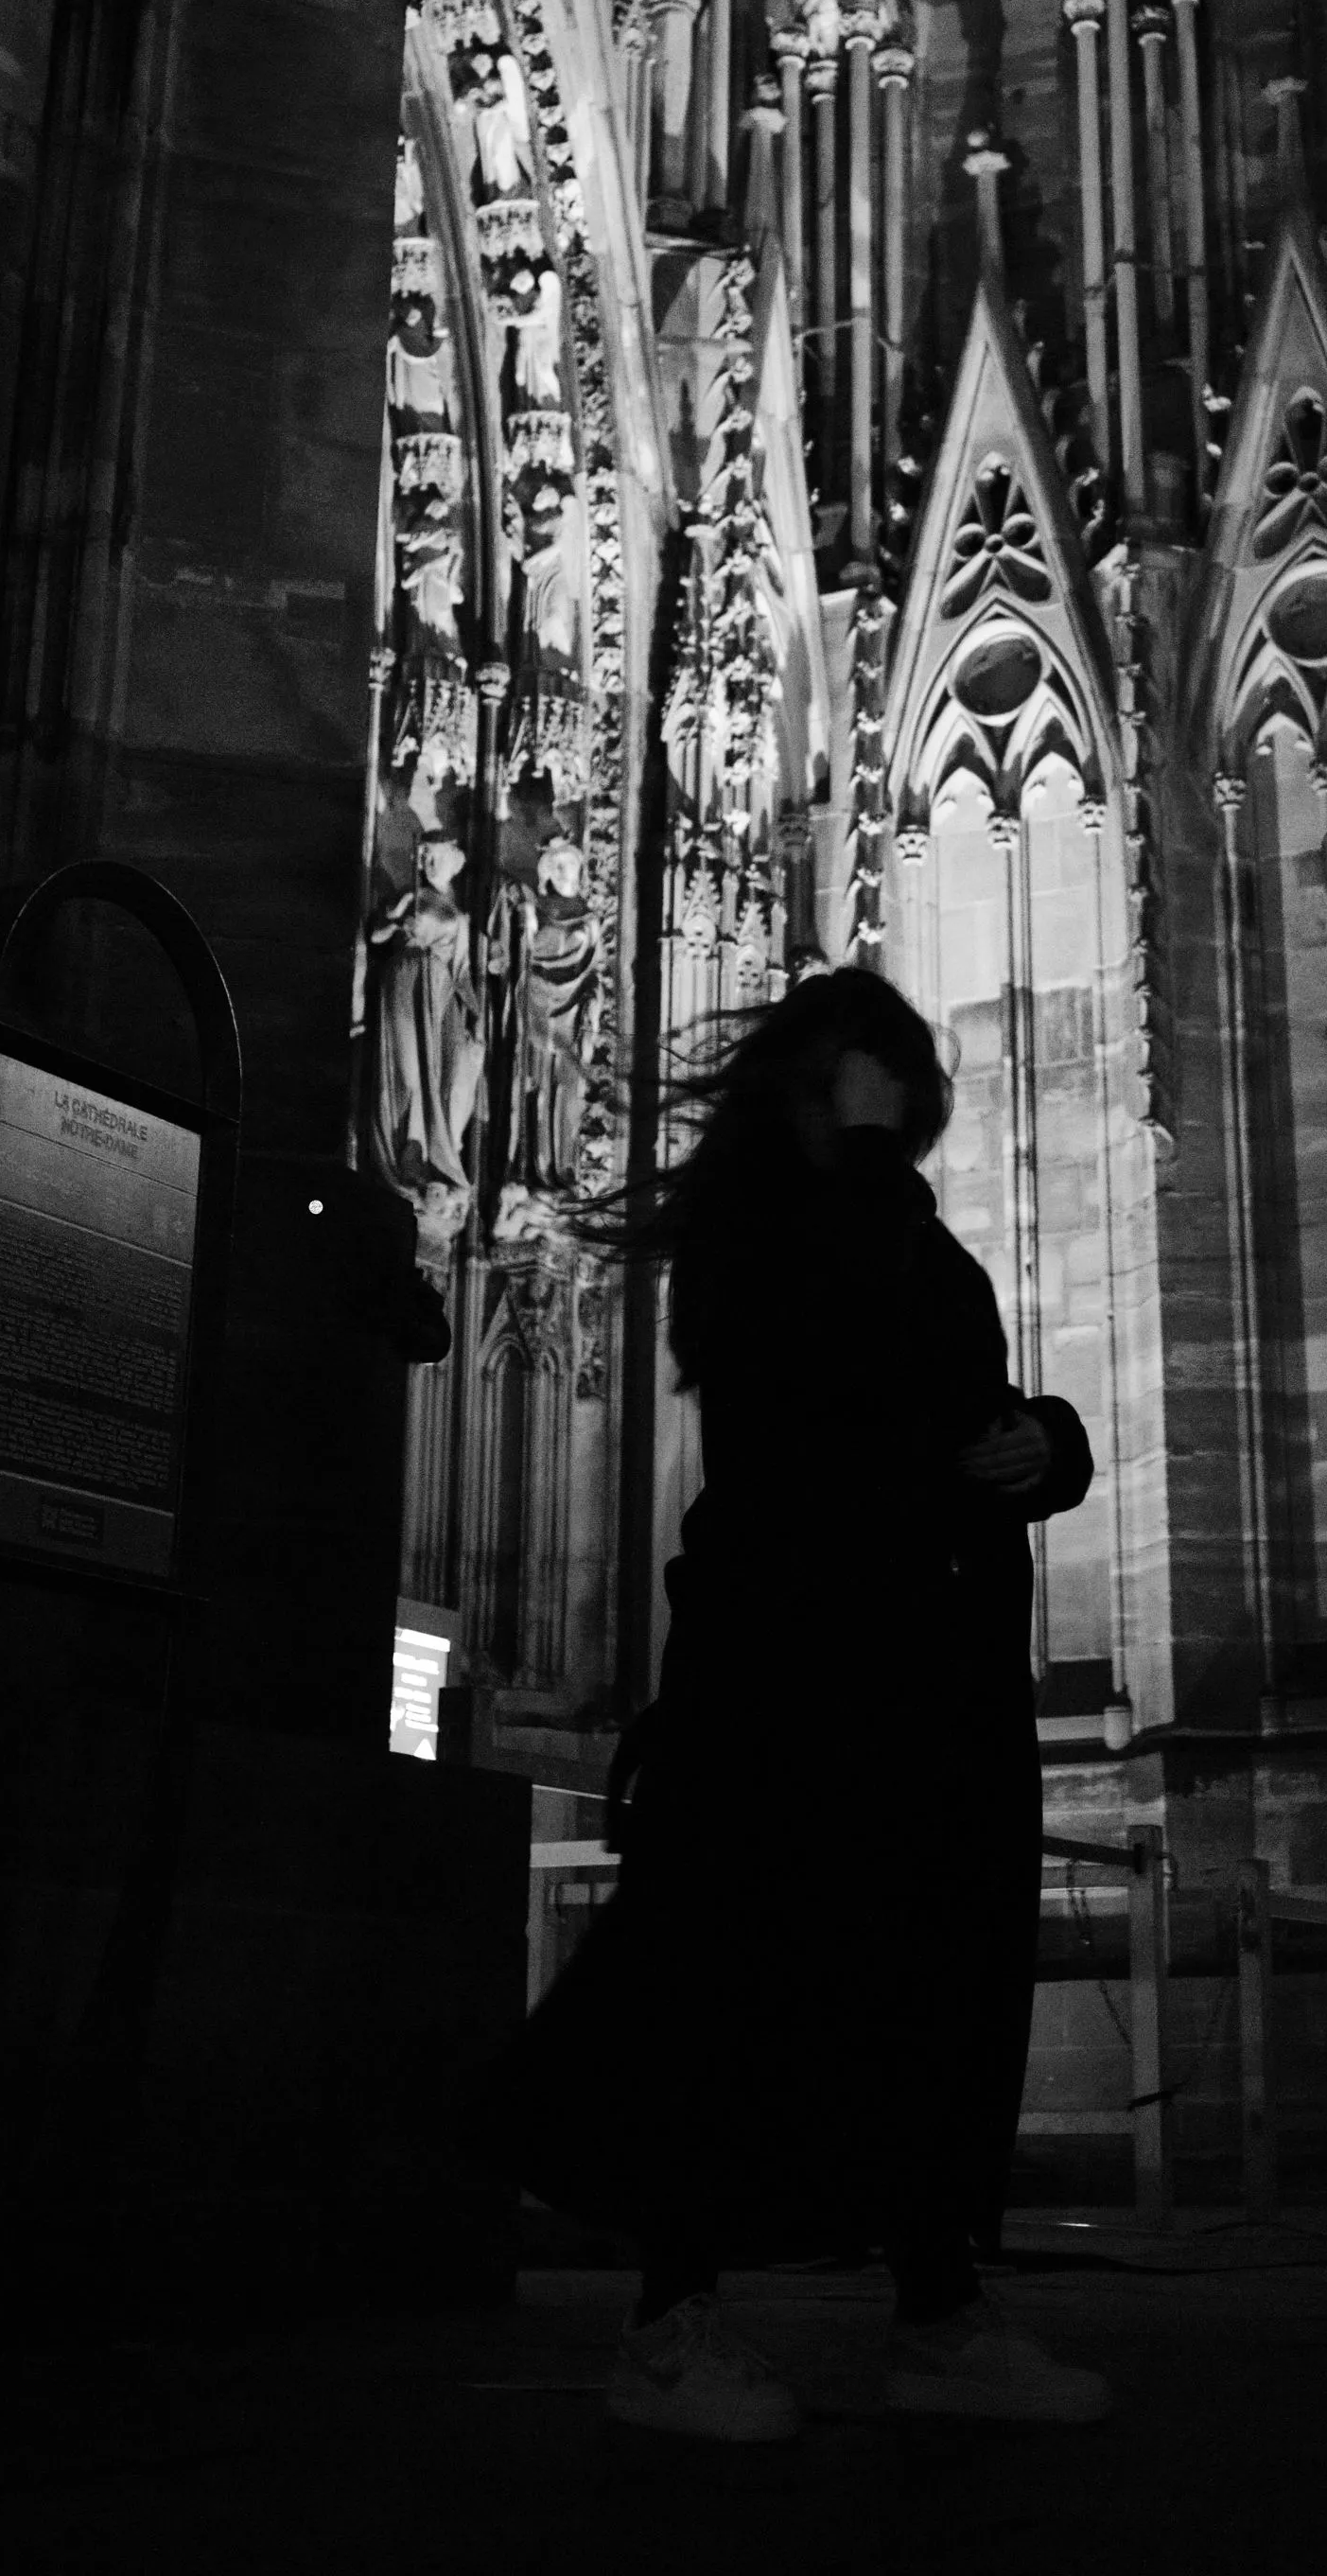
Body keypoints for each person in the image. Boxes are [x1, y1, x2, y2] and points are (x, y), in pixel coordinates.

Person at [485, 967, 1112, 2443]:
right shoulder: (766, 1236)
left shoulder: (898, 1227)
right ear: (819, 1081)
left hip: (931, 1669)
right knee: (735, 1990)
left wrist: (1050, 1447)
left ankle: (941, 2314)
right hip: (807, 1670)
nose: (904, 1102)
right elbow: (802, 1449)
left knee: (922, 1998)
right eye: (876, 1074)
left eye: (909, 1082)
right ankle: (672, 2322)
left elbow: (972, 1412)